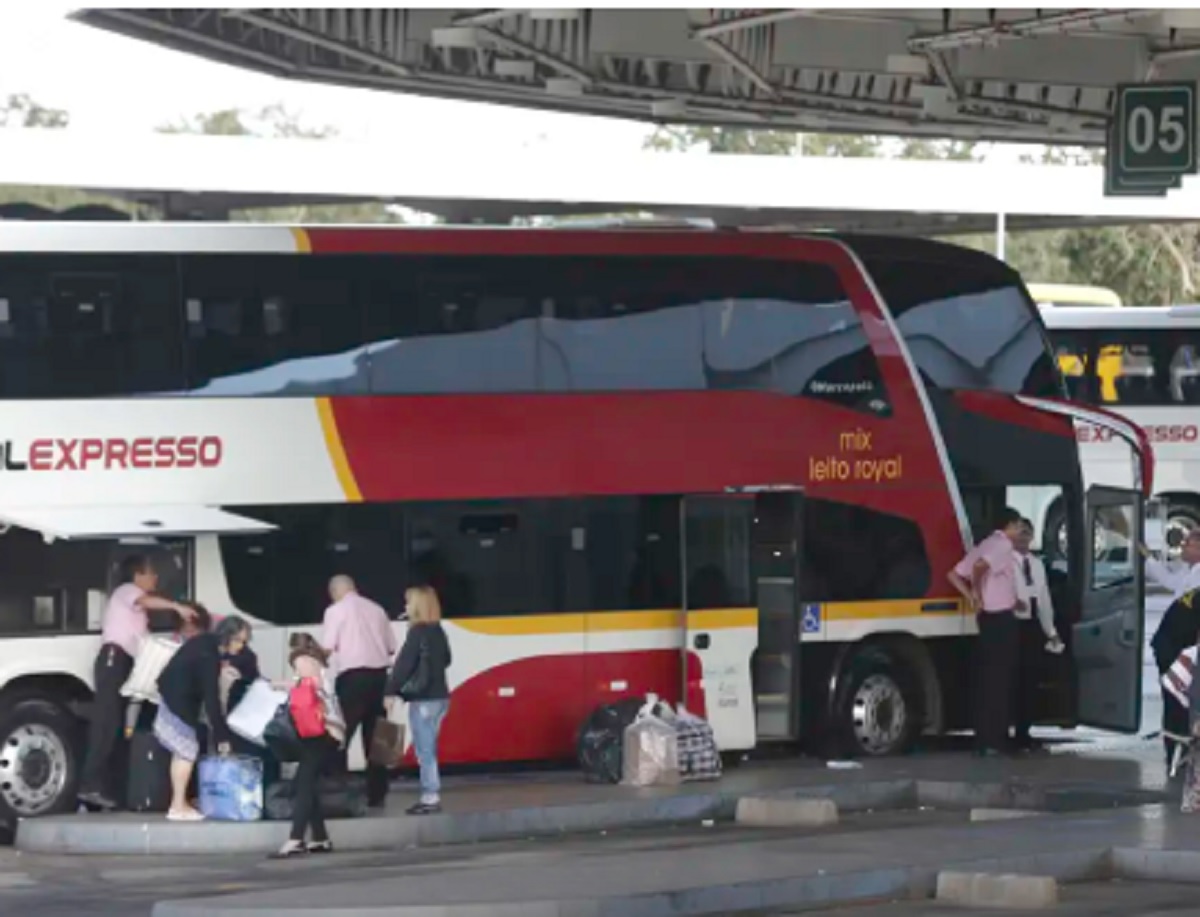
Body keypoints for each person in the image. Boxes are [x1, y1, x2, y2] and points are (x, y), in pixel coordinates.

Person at [78, 555, 194, 811]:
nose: (155, 579)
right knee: (106, 724)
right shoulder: (127, 591)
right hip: (114, 659)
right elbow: (145, 600)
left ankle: (103, 789)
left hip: (125, 663)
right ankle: (88, 784)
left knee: (118, 727)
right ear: (138, 575)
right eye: (151, 574)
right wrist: (176, 607)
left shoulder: (138, 612)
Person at [155, 611, 250, 822]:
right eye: (240, 641)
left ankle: (181, 802)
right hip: (178, 700)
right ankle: (178, 805)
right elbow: (211, 698)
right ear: (228, 636)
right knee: (186, 751)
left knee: (183, 750)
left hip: (171, 695)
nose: (241, 646)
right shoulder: (209, 654)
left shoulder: (205, 643)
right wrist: (222, 736)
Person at [948, 508, 1025, 757]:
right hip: (1000, 619)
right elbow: (980, 568)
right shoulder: (1002, 546)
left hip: (987, 619)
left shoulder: (986, 543)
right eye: (1018, 526)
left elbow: (953, 574)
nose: (1020, 532)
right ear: (1009, 525)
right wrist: (977, 594)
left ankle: (984, 737)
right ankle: (997, 738)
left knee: (987, 679)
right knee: (1001, 680)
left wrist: (971, 596)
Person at [321, 575, 397, 808]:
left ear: (334, 592)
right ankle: (378, 794)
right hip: (380, 678)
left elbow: (327, 647)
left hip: (352, 679)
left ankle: (339, 791)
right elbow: (391, 647)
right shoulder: (377, 609)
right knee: (378, 740)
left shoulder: (335, 611)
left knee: (339, 735)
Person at [274, 633, 346, 859]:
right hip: (325, 734)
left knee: (303, 784)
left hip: (322, 734)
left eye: (296, 664)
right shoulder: (320, 668)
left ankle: (296, 839)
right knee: (306, 785)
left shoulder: (308, 667)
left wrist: (279, 685)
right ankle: (320, 837)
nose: (297, 667)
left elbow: (307, 685)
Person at [387, 586, 452, 815]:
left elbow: (404, 665)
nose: (405, 607)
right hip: (441, 697)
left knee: (425, 751)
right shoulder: (438, 630)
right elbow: (446, 660)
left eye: (408, 602)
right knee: (429, 747)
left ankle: (430, 797)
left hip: (423, 700)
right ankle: (430, 795)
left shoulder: (417, 632)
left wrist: (390, 691)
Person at [1142, 531, 1200, 769]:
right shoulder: (1188, 572)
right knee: (1175, 698)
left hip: (1183, 646)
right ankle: (1176, 749)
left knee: (1183, 700)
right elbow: (1167, 579)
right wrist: (1144, 555)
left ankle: (1181, 748)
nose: (1183, 547)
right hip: (1172, 645)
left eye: (1189, 543)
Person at [1011, 518, 1065, 752]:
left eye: (1027, 534)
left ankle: (1024, 732)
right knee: (1011, 681)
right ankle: (1006, 731)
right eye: (1020, 533)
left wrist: (1051, 631)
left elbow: (1044, 600)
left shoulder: (1037, 564)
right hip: (1012, 625)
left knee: (1030, 681)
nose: (1023, 538)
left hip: (1033, 626)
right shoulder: (1005, 563)